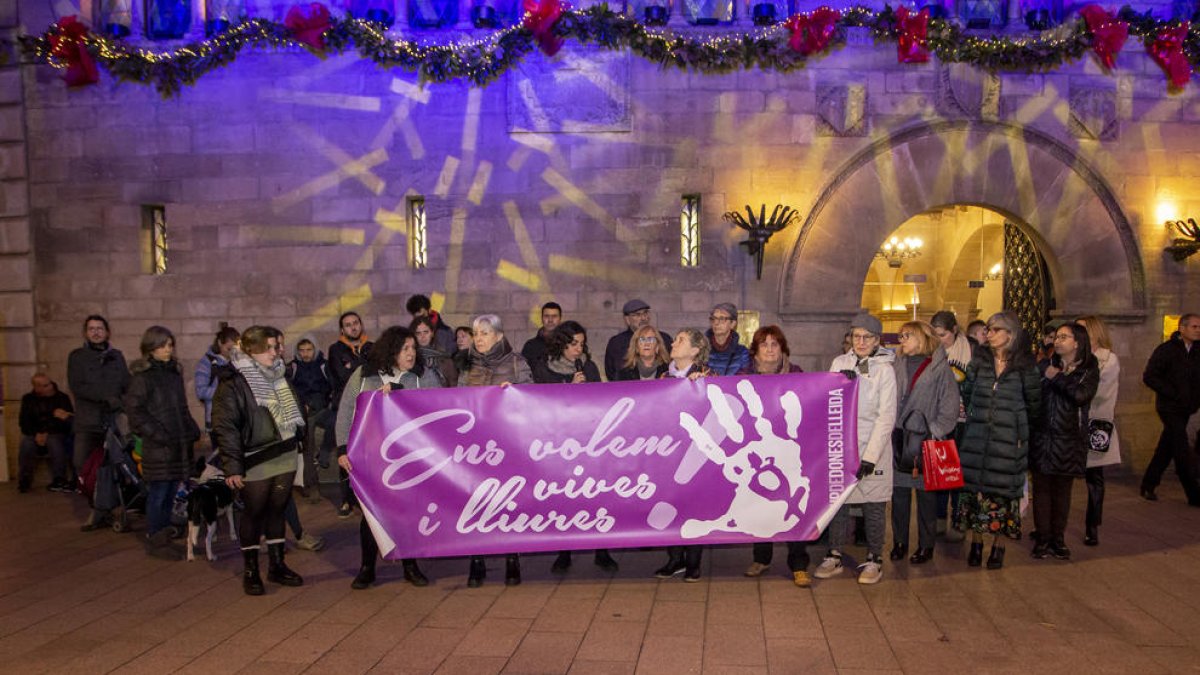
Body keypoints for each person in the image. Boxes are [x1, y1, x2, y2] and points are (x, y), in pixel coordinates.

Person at [337, 326, 438, 590]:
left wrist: (401, 393)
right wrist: (341, 448)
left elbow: (437, 407)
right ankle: (367, 567)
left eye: (413, 348)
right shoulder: (364, 375)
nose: (411, 353)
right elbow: (347, 410)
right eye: (405, 349)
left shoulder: (423, 376)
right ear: (391, 350)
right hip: (371, 455)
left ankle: (410, 564)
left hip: (410, 456)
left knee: (408, 511)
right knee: (371, 512)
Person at [212, 326, 307, 595]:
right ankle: (251, 569)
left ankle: (277, 565)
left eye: (276, 346)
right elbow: (225, 426)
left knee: (277, 509)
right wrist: (232, 465)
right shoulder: (233, 381)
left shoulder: (280, 374)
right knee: (254, 511)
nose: (275, 352)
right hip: (257, 457)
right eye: (269, 348)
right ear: (251, 351)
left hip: (286, 451)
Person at [954, 312, 1041, 570]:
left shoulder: (1026, 367)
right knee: (976, 491)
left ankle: (998, 547)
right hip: (978, 437)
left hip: (1008, 440)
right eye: (988, 330)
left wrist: (1018, 431)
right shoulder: (978, 363)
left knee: (1002, 495)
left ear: (1010, 334)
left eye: (995, 330)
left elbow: (1033, 406)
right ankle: (977, 542)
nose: (988, 334)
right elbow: (967, 397)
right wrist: (975, 422)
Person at [814, 313, 896, 585]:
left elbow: (886, 416)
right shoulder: (840, 362)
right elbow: (829, 399)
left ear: (876, 340)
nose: (860, 342)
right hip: (844, 443)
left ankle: (874, 557)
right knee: (840, 503)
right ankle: (834, 553)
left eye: (867, 337)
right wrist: (840, 382)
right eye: (856, 336)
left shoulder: (885, 370)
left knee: (873, 503)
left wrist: (871, 456)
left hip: (872, 443)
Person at [530, 322, 616, 573]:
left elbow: (601, 400)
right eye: (573, 343)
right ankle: (564, 551)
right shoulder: (544, 367)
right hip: (557, 441)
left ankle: (602, 550)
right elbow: (540, 402)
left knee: (595, 495)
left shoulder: (588, 366)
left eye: (581, 343)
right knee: (564, 498)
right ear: (561, 344)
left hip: (587, 440)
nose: (579, 348)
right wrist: (569, 388)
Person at [459, 314, 533, 586]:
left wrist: (515, 394)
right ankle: (476, 560)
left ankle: (511, 558)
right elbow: (457, 402)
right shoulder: (467, 367)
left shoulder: (517, 362)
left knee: (507, 501)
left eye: (485, 333)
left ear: (499, 336)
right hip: (475, 445)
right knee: (475, 500)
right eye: (476, 333)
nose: (479, 338)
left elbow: (533, 399)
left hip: (507, 443)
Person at [737, 326, 813, 586]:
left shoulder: (796, 374)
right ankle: (762, 557)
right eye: (764, 344)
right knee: (760, 504)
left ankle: (799, 563)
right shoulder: (743, 376)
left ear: (783, 349)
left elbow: (811, 401)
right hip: (760, 450)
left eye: (775, 344)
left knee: (795, 504)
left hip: (791, 450)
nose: (770, 349)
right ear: (755, 352)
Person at [124, 326, 201, 561]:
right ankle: (156, 538)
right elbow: (135, 412)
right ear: (150, 348)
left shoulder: (172, 374)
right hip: (159, 446)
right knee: (159, 492)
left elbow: (181, 408)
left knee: (169, 493)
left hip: (176, 443)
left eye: (170, 344)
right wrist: (157, 434)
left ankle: (164, 535)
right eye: (163, 345)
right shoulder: (142, 378)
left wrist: (190, 428)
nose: (168, 349)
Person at [889, 321, 960, 566]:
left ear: (922, 337)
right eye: (901, 336)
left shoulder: (939, 368)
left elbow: (950, 406)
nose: (902, 340)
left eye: (907, 335)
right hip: (899, 438)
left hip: (926, 440)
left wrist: (934, 432)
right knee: (898, 495)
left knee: (926, 498)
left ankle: (926, 545)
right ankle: (899, 542)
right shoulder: (895, 363)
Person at [1030, 322, 1099, 561]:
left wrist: (1057, 377)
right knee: (1041, 490)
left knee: (1061, 491)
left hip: (1069, 439)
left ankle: (1057, 539)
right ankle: (1042, 538)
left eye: (1064, 337)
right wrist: (1048, 372)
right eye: (1056, 337)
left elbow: (1081, 396)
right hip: (1042, 436)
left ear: (1077, 342)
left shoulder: (1089, 369)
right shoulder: (1045, 364)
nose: (1057, 341)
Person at [654, 328, 713, 582]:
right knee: (671, 503)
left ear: (695, 350)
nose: (673, 343)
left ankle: (693, 561)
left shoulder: (707, 375)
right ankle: (674, 557)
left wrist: (703, 387)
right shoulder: (664, 374)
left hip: (695, 452)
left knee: (694, 505)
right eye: (675, 339)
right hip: (669, 450)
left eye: (680, 340)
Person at [1140, 313, 1200, 505]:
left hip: (1186, 408)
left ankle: (1148, 484)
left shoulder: (1198, 351)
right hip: (1169, 407)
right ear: (1182, 328)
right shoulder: (1167, 350)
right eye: (1194, 326)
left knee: (1167, 447)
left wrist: (1194, 399)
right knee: (1181, 448)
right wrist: (1173, 393)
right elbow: (1150, 376)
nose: (1198, 330)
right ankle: (1194, 494)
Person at [68, 315, 130, 486]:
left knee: (118, 463)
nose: (96, 332)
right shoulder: (77, 357)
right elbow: (77, 386)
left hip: (113, 419)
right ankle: (93, 499)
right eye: (91, 329)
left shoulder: (116, 356)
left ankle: (110, 501)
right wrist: (105, 397)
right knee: (81, 463)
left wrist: (122, 401)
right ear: (85, 333)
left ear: (107, 332)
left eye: (100, 328)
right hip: (88, 420)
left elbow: (126, 383)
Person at [1076, 315, 1121, 546]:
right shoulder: (1074, 356)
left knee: (1094, 477)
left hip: (1095, 423)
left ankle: (1092, 525)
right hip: (1072, 422)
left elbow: (1099, 391)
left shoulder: (1107, 359)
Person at [930, 310, 972, 540]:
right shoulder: (932, 352)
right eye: (935, 335)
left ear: (955, 330)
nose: (939, 340)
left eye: (943, 335)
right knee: (941, 472)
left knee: (960, 475)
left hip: (965, 423)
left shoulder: (971, 351)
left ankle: (958, 520)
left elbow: (974, 383)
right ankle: (938, 518)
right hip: (940, 421)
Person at [328, 311, 372, 519]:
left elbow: (372, 373)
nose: (353, 327)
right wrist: (360, 365)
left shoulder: (371, 347)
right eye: (348, 325)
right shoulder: (335, 349)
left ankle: (365, 495)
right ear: (342, 329)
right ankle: (346, 499)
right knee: (345, 452)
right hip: (345, 407)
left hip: (367, 409)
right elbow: (342, 376)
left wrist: (352, 365)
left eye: (356, 323)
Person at [286, 337, 331, 499]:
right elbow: (289, 389)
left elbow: (331, 386)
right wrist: (301, 404)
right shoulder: (293, 367)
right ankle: (312, 485)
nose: (305, 354)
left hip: (323, 408)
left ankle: (325, 452)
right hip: (305, 412)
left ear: (315, 349)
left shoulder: (324, 365)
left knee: (336, 422)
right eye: (302, 350)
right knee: (308, 446)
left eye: (309, 349)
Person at [17, 373, 74, 493]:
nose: (51, 387)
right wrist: (37, 433)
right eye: (46, 385)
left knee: (55, 442)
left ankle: (59, 478)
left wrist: (47, 432)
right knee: (27, 444)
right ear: (37, 388)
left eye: (50, 384)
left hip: (55, 431)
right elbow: (24, 421)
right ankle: (25, 479)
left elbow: (66, 420)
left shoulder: (62, 397)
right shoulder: (28, 399)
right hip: (35, 432)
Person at [604, 299, 672, 382]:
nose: (643, 318)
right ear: (627, 319)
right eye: (637, 315)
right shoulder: (616, 343)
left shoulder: (664, 339)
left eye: (645, 313)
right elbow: (610, 372)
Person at [195, 325, 240, 438]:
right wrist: (225, 391)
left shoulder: (238, 361)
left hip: (237, 419)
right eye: (229, 349)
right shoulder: (206, 363)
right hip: (217, 420)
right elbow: (201, 391)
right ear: (220, 343)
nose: (232, 353)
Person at [411, 315, 458, 388]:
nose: (422, 336)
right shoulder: (409, 358)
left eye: (426, 332)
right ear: (414, 335)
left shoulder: (445, 358)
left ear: (432, 333)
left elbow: (454, 387)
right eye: (418, 333)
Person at [705, 303, 750, 376]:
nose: (716, 323)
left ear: (733, 324)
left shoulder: (742, 353)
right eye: (713, 319)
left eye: (722, 319)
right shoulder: (702, 350)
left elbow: (743, 381)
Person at [521, 301, 563, 366]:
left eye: (554, 316)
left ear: (560, 319)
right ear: (542, 318)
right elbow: (522, 372)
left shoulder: (568, 344)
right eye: (546, 316)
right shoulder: (530, 346)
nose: (550, 320)